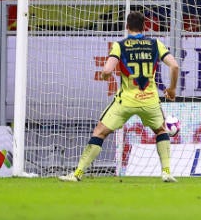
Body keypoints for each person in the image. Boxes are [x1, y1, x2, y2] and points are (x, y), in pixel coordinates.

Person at [59, 10, 180, 183]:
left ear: (127, 26)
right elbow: (174, 66)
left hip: (126, 101)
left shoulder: (120, 45)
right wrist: (172, 89)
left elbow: (107, 70)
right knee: (161, 131)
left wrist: (105, 75)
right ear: (144, 27)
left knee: (100, 132)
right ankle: (166, 172)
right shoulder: (156, 44)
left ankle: (77, 174)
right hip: (150, 100)